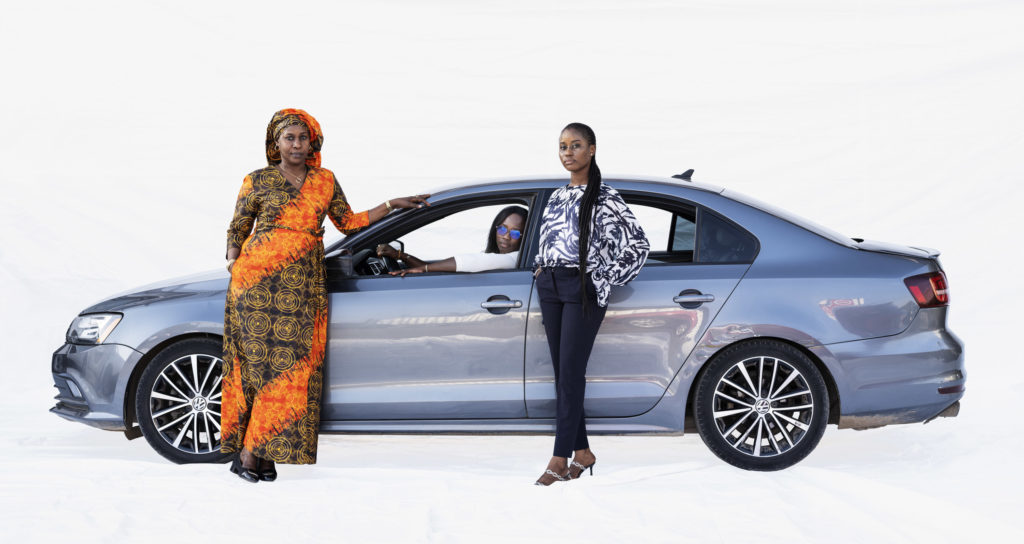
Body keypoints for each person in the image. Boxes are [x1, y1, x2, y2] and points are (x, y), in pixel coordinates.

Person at [221, 108, 429, 483]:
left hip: (302, 284)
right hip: (256, 285)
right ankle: (252, 454)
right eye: (290, 138)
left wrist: (390, 206)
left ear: (312, 142)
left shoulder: (325, 180)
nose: (297, 144)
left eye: (303, 138)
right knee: (259, 368)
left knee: (291, 370)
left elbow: (348, 222)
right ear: (276, 143)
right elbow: (238, 225)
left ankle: (260, 453)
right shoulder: (257, 180)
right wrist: (234, 264)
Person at [533, 123, 649, 485]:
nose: (568, 152)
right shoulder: (555, 196)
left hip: (581, 286)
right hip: (550, 285)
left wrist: (602, 277)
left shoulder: (605, 196)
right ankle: (583, 452)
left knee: (570, 374)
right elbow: (551, 239)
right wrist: (541, 267)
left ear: (592, 150)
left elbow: (639, 245)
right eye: (563, 146)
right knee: (562, 375)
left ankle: (558, 457)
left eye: (576, 145)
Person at [378, 206, 528, 275]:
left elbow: (471, 261)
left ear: (524, 236)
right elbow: (429, 267)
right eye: (502, 229)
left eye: (515, 233)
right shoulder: (497, 256)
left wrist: (423, 268)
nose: (506, 236)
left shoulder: (515, 259)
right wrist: (400, 255)